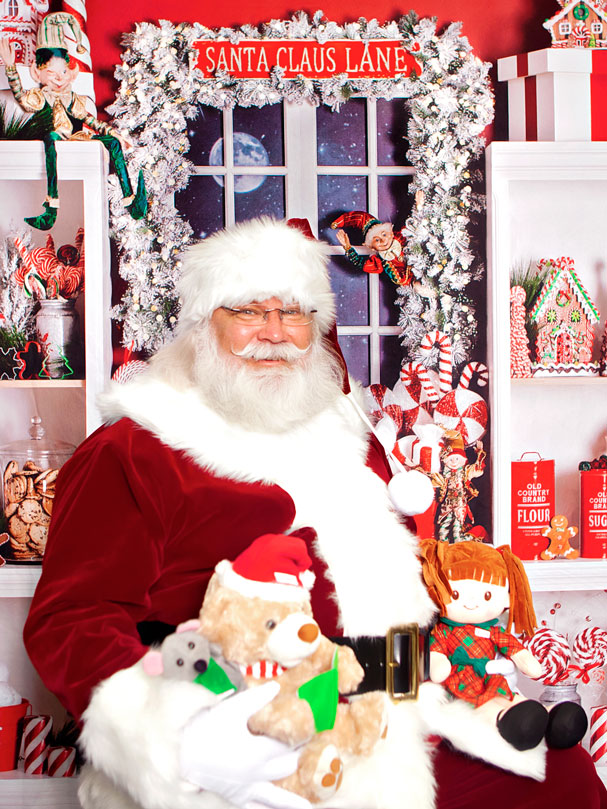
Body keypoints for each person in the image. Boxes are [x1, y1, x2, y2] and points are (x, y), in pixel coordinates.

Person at [23, 218, 606, 809]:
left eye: (295, 313)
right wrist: (179, 731)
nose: (274, 333)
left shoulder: (346, 437)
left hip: (390, 706)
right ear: (204, 325)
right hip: (248, 721)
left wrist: (454, 679)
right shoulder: (135, 449)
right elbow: (71, 620)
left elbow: (396, 587)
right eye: (248, 311)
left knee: (563, 776)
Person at [0, 12, 147, 230]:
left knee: (113, 143)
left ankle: (131, 199)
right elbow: (22, 97)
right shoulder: (41, 97)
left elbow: (89, 120)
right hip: (57, 136)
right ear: (37, 74)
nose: (59, 78)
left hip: (78, 138)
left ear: (71, 73)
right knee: (49, 138)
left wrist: (113, 133)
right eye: (51, 73)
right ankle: (52, 205)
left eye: (63, 72)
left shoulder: (74, 99)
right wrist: (11, 68)